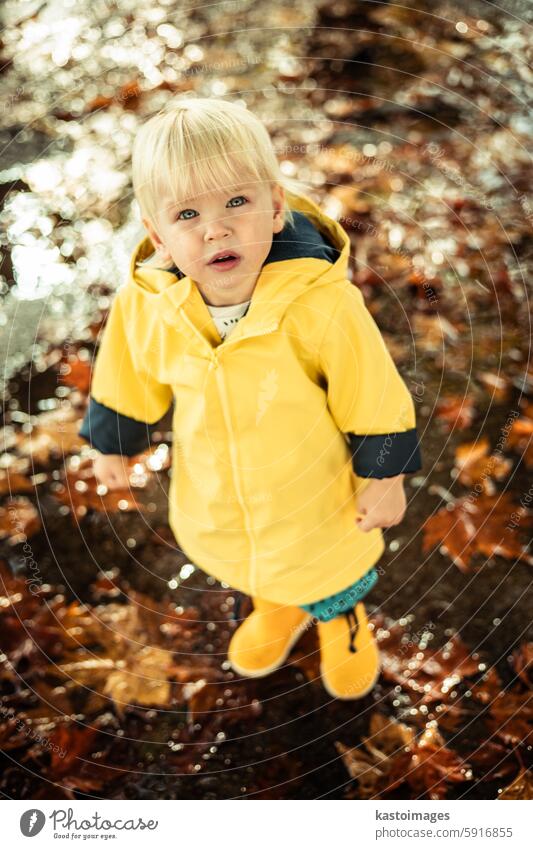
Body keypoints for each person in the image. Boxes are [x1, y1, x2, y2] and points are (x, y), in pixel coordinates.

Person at [79, 97, 422, 700]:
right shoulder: (150, 304)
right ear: (157, 233)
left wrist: (386, 475)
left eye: (237, 202)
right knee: (246, 558)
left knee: (323, 565)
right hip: (217, 489)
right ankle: (277, 607)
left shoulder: (318, 303)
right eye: (188, 213)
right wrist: (114, 440)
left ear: (275, 208)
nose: (216, 228)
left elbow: (371, 390)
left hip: (310, 492)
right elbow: (128, 369)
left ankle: (341, 620)